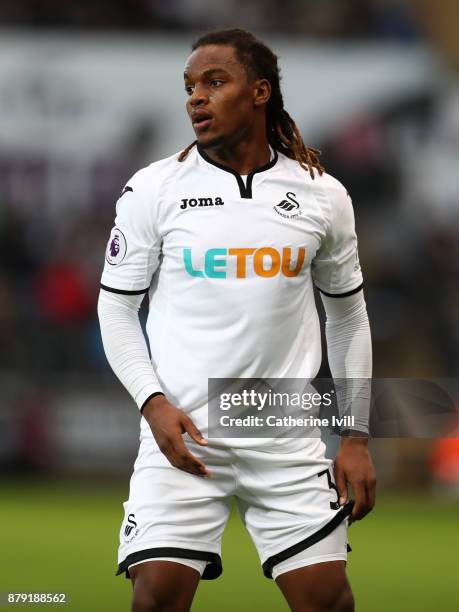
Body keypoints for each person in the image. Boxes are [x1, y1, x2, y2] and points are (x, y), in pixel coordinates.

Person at [98, 28, 375, 612]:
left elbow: (348, 317)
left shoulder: (322, 195)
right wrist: (153, 404)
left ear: (260, 92)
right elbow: (117, 307)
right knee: (156, 599)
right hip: (184, 435)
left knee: (328, 602)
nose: (196, 97)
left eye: (214, 82)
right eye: (190, 86)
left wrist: (354, 434)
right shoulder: (153, 189)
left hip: (284, 435)